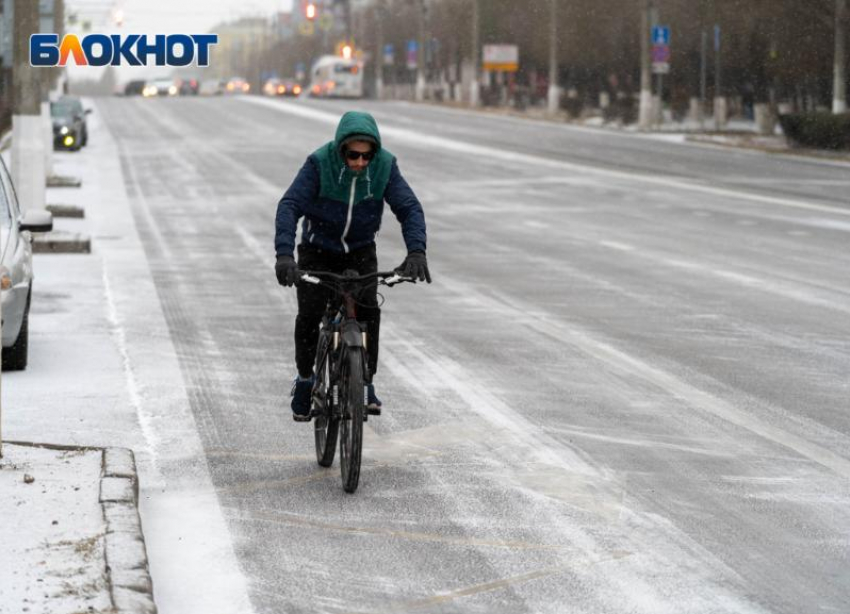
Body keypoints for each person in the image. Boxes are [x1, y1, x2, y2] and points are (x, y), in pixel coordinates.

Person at [274, 111, 431, 421]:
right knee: (309, 315)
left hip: (359, 251)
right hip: (317, 251)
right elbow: (289, 205)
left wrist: (416, 252)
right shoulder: (319, 163)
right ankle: (305, 380)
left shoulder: (385, 166)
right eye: (353, 155)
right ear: (340, 148)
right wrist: (284, 256)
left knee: (369, 311)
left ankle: (365, 381)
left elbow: (409, 208)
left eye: (367, 155)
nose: (360, 162)